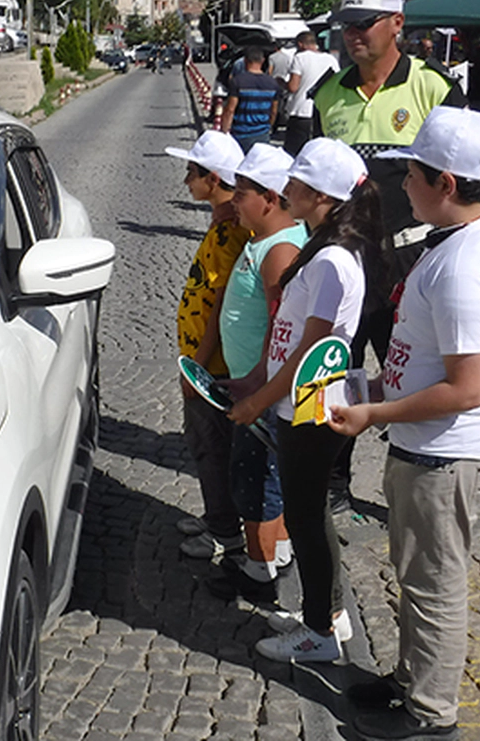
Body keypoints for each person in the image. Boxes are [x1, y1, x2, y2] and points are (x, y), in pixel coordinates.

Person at [328, 107, 480, 740]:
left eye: (411, 173)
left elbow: (469, 387)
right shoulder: (458, 240)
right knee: (416, 576)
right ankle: (410, 680)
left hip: (441, 450)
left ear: (446, 183)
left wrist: (374, 412)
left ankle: (432, 716)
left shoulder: (464, 266)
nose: (401, 184)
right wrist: (377, 387)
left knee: (434, 585)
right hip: (424, 442)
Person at [226, 138, 390, 662]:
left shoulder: (333, 262)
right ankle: (328, 613)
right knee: (306, 515)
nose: (286, 188)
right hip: (292, 402)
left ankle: (320, 630)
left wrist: (258, 401)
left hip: (309, 408)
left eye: (295, 182)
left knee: (307, 519)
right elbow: (285, 332)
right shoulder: (322, 246)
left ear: (320, 194)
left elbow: (307, 351)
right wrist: (256, 378)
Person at [312, 0, 466, 512]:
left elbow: (460, 182)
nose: (352, 35)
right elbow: (310, 183)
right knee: (339, 372)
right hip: (347, 262)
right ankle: (334, 482)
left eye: (364, 24)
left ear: (397, 23)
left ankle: (417, 481)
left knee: (413, 373)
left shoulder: (434, 88)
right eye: (346, 26)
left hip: (411, 262)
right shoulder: (327, 95)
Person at [209, 143, 308, 601]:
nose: (233, 200)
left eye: (242, 192)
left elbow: (280, 323)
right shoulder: (260, 240)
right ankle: (275, 555)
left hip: (262, 391)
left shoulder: (280, 251)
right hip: (252, 383)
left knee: (258, 484)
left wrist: (257, 385)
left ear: (269, 197)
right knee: (256, 479)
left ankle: (261, 572)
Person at [165, 130, 251, 560]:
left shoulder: (232, 231)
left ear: (213, 179)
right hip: (203, 357)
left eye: (191, 173)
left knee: (210, 445)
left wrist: (196, 367)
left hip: (212, 364)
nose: (186, 183)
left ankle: (225, 532)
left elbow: (221, 302)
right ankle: (219, 515)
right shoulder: (226, 221)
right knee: (208, 444)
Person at [284, 31, 340, 156]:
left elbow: (293, 87)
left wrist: (281, 82)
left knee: (293, 153)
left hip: (300, 111)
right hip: (322, 112)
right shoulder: (330, 59)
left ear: (300, 44)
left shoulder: (300, 58)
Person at [222, 45, 281, 152]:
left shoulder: (238, 81)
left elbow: (230, 110)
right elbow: (274, 111)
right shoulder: (273, 83)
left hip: (240, 134)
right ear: (263, 61)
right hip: (262, 134)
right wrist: (268, 127)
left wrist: (224, 131)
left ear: (245, 60)